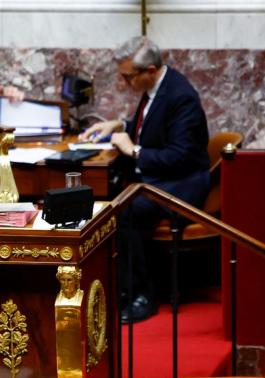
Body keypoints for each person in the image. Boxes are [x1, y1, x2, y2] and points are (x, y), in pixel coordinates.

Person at [79, 36, 209, 323]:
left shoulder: (181, 96)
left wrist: (134, 150)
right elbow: (150, 128)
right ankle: (120, 287)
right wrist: (119, 124)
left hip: (181, 185)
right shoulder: (156, 88)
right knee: (112, 201)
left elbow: (180, 156)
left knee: (124, 213)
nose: (125, 84)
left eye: (128, 77)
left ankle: (142, 296)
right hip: (159, 179)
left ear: (149, 70)